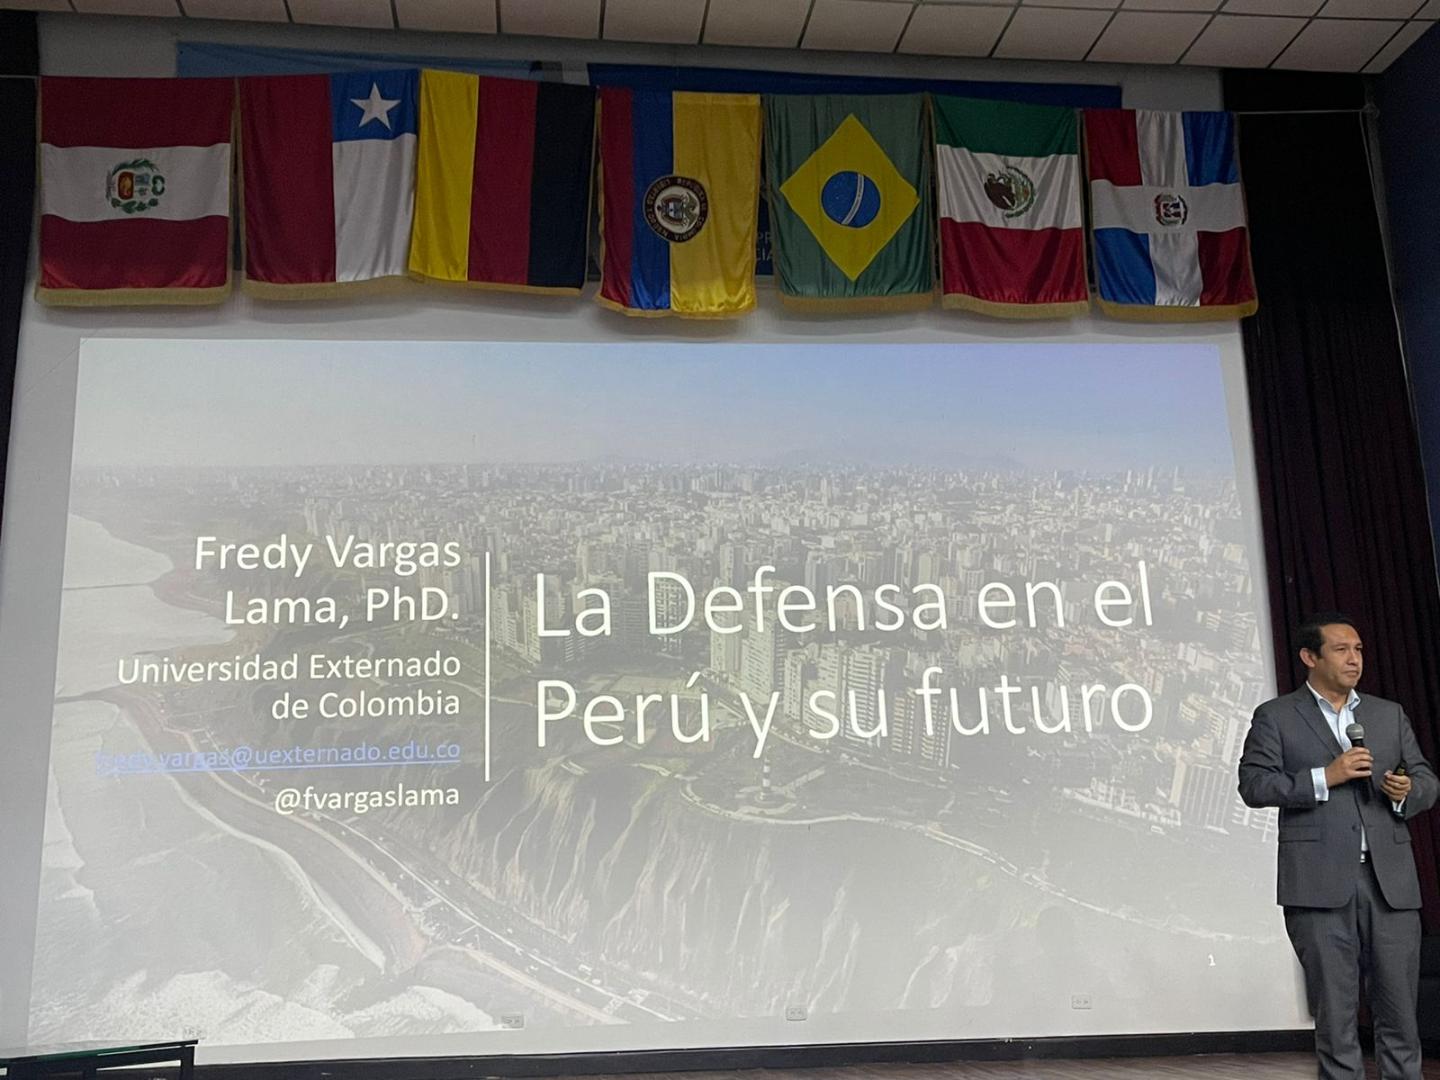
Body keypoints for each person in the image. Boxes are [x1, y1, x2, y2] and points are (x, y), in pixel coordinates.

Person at [1239, 612, 1437, 1080]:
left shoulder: (1387, 714)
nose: (1354, 659)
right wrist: (1324, 777)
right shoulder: (1277, 716)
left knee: (1400, 1016)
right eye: (1342, 650)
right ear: (1310, 657)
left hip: (1390, 884)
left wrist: (1407, 791)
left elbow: (1426, 778)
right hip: (1318, 884)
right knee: (1336, 1016)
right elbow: (1254, 785)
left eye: (1359, 650)